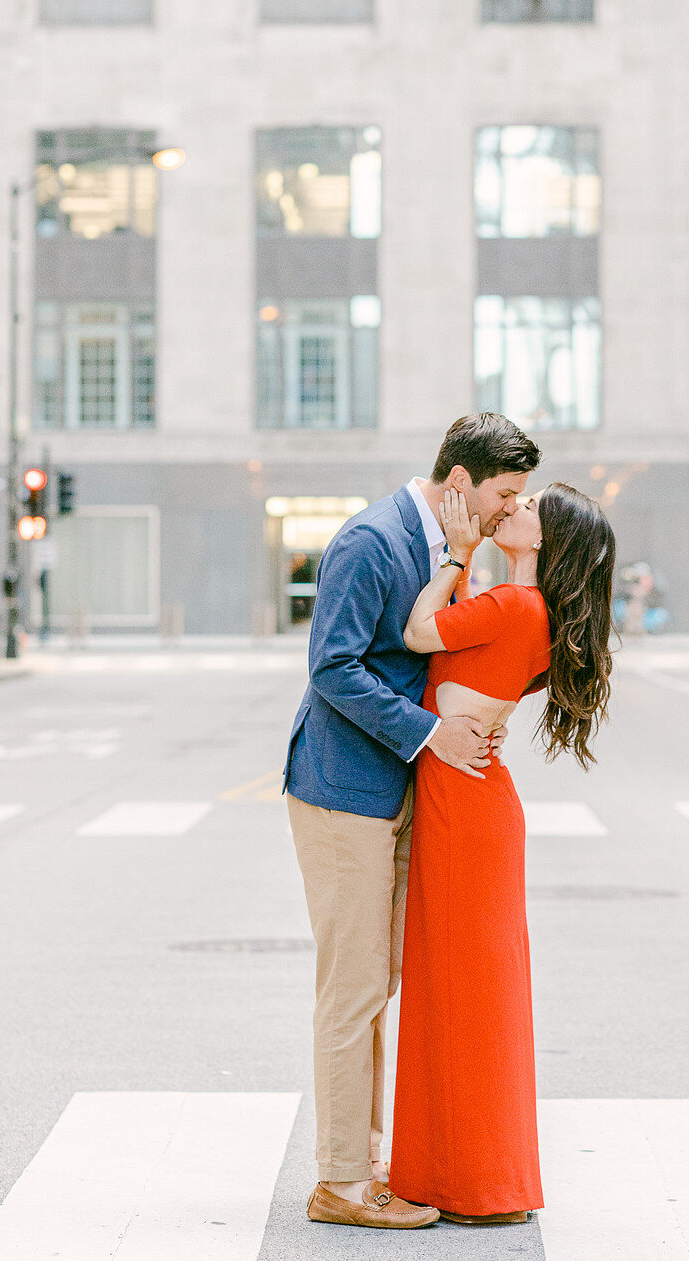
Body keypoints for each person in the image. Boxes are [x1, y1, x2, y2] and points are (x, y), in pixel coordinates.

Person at [284, 414, 541, 1230]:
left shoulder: (443, 545)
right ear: (461, 482)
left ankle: (363, 1163)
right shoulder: (372, 541)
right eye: (506, 494)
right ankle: (341, 1183)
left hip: (395, 792)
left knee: (378, 981)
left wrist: (478, 709)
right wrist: (432, 731)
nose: (513, 509)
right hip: (345, 789)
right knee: (354, 987)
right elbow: (331, 666)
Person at [390, 481, 615, 1225]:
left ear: (542, 541)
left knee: (459, 993)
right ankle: (477, 1176)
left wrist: (456, 554)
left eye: (528, 508)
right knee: (473, 995)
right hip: (475, 796)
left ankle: (469, 1182)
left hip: (464, 803)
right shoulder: (532, 612)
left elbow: (419, 634)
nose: (512, 509)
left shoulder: (516, 606)